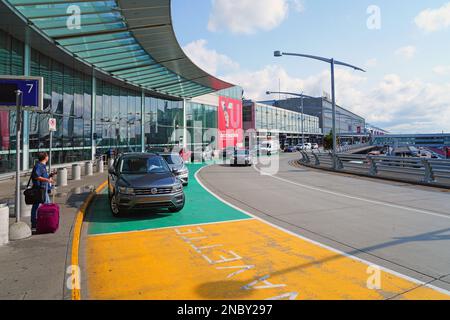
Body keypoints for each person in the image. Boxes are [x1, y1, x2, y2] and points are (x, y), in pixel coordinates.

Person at [30, 152, 54, 230]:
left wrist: (49, 176)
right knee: (37, 206)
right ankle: (35, 224)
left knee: (46, 206)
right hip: (39, 189)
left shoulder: (43, 166)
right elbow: (36, 176)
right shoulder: (38, 165)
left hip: (44, 189)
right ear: (45, 157)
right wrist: (47, 179)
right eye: (47, 156)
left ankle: (45, 223)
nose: (48, 157)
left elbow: (42, 176)